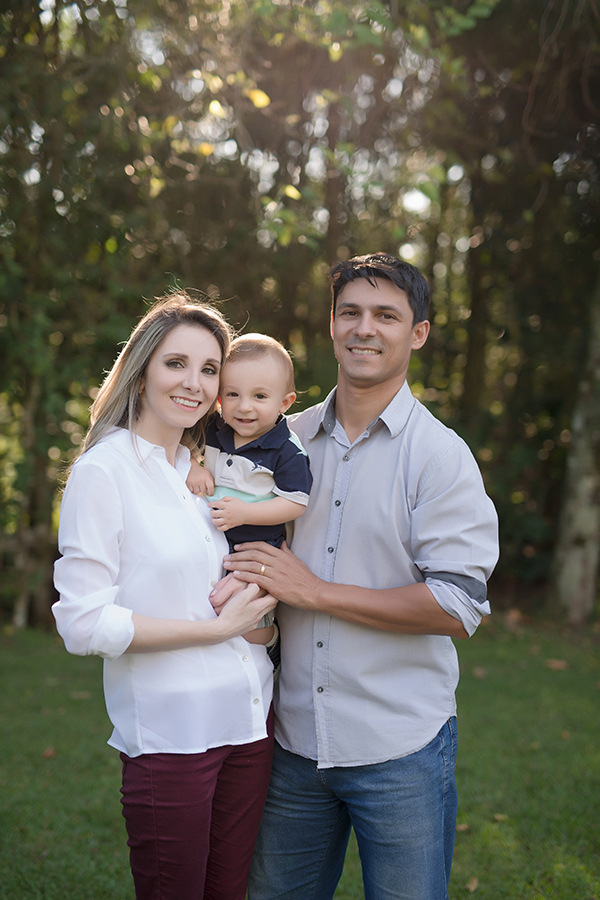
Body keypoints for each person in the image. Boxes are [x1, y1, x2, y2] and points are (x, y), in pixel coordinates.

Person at [212, 253, 499, 900]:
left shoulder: (440, 458)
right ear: (332, 325)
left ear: (417, 333)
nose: (365, 328)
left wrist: (313, 592)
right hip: (292, 743)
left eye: (386, 315)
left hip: (400, 748)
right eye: (351, 313)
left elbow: (458, 605)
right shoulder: (278, 438)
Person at [52, 292, 278, 900]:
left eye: (210, 369)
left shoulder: (212, 472)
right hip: (173, 735)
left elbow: (237, 589)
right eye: (177, 363)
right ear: (143, 368)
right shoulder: (107, 471)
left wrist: (260, 626)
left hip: (251, 722)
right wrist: (213, 632)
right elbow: (82, 622)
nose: (195, 383)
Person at [186, 333, 313, 641]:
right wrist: (192, 464)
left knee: (247, 622)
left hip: (254, 553)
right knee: (209, 606)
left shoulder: (286, 449)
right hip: (213, 543)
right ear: (219, 398)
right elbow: (182, 443)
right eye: (232, 395)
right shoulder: (215, 429)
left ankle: (268, 648)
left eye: (259, 397)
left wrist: (246, 512)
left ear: (285, 403)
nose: (244, 407)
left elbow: (294, 503)